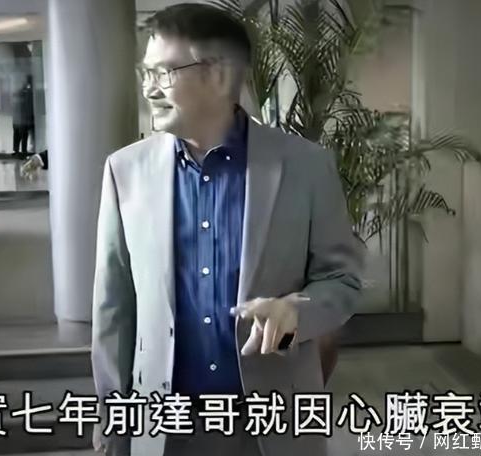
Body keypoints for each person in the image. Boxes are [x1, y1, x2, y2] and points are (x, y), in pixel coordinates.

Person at [91, 4, 362, 456]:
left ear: (218, 76)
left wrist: (297, 310)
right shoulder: (126, 171)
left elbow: (343, 279)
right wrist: (112, 418)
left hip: (273, 423)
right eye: (146, 73)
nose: (148, 87)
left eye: (163, 73)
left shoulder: (305, 167)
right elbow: (114, 308)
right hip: (164, 425)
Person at [12, 75, 35, 156]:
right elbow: (28, 106)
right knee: (23, 135)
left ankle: (17, 151)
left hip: (17, 118)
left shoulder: (18, 92)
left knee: (17, 135)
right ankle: (23, 151)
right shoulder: (28, 92)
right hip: (23, 119)